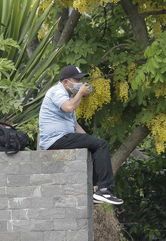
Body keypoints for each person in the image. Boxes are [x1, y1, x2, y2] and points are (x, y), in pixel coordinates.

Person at [39, 65, 123, 205]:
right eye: (77, 80)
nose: (80, 83)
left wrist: (90, 140)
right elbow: (69, 107)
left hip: (64, 136)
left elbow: (75, 125)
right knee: (101, 144)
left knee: (97, 145)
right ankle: (104, 189)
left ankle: (95, 189)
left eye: (81, 80)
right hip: (56, 139)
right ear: (66, 82)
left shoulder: (68, 95)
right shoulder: (56, 91)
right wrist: (80, 94)